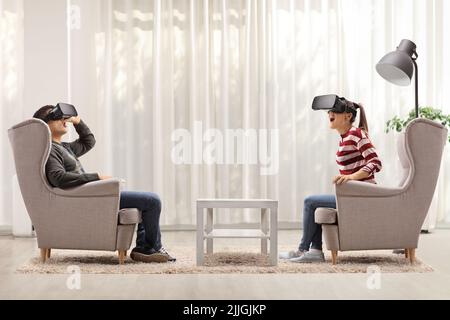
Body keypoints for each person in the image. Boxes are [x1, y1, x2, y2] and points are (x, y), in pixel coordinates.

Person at [33, 105, 175, 263]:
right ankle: (150, 248)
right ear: (45, 125)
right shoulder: (51, 150)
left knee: (144, 202)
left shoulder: (65, 147)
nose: (63, 120)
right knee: (152, 200)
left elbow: (88, 141)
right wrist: (97, 177)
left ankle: (145, 247)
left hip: (90, 195)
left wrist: (78, 122)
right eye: (57, 117)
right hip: (87, 198)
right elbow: (58, 178)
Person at [280, 99, 382, 263]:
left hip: (363, 195)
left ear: (348, 116)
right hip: (352, 195)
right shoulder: (345, 137)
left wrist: (351, 177)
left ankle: (303, 249)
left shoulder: (356, 134)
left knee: (310, 202)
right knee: (315, 204)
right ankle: (314, 250)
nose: (330, 114)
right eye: (328, 111)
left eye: (335, 111)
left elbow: (375, 162)